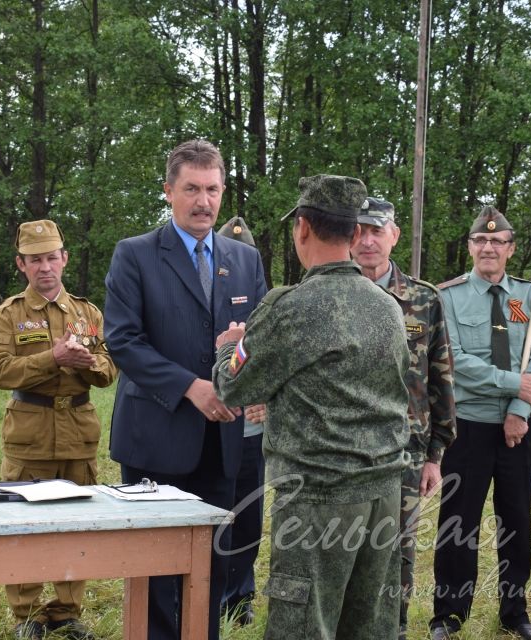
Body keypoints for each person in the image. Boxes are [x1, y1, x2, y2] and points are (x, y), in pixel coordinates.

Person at [213, 174, 410, 640]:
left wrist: (230, 346)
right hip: (383, 492)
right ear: (356, 233)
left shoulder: (293, 306)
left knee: (303, 626)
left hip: (319, 498)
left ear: (302, 227)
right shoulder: (386, 305)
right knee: (368, 625)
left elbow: (231, 386)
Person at [104, 139, 268, 640]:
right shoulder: (135, 254)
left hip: (224, 439)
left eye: (213, 189)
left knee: (213, 566)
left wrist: (245, 364)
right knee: (155, 572)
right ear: (168, 192)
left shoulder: (245, 259)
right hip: (156, 436)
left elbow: (261, 339)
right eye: (192, 189)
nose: (204, 201)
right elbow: (123, 341)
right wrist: (191, 387)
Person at [0, 219, 117, 640]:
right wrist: (53, 358)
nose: (45, 267)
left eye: (51, 258)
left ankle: (66, 612)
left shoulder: (87, 312)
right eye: (35, 260)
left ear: (65, 259)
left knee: (77, 524)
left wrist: (90, 363)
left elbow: (110, 368)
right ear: (21, 264)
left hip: (79, 433)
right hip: (31, 435)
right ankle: (26, 615)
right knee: (25, 526)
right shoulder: (9, 314)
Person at [429, 206, 531, 640]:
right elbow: (454, 361)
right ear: (470, 247)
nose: (489, 247)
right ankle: (448, 615)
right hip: (468, 426)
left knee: (516, 518)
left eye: (498, 242)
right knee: (459, 521)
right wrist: (511, 383)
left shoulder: (528, 298)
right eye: (480, 240)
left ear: (511, 249)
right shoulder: (448, 297)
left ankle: (514, 613)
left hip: (519, 427)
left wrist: (519, 410)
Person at [351, 197, 456, 640]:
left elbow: (441, 379)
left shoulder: (423, 300)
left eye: (378, 231)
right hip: (345, 447)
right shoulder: (330, 294)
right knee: (343, 546)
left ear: (394, 236)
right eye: (359, 230)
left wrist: (435, 455)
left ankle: (392, 631)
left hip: (405, 453)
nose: (368, 240)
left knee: (399, 551)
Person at [215, 215, 266, 627]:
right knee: (216, 512)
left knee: (249, 514)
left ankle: (240, 595)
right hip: (211, 420)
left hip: (251, 424)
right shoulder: (200, 290)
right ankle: (211, 591)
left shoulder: (266, 300)